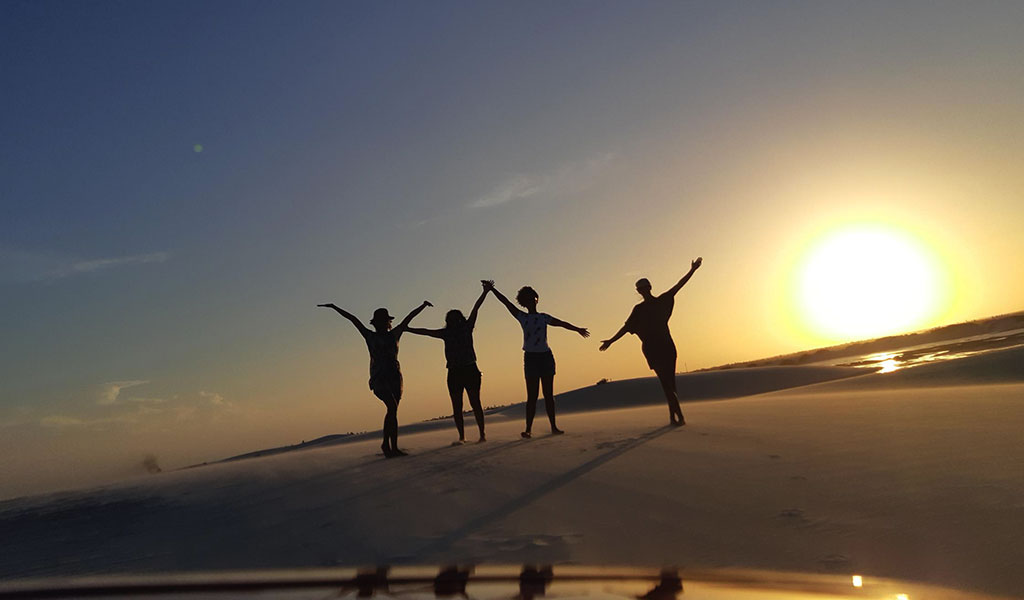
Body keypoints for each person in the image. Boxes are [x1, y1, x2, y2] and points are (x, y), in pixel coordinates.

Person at [317, 300, 432, 457]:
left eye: (384, 321)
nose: (382, 324)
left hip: (394, 376)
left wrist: (423, 306)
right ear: (375, 323)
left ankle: (392, 446)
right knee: (392, 408)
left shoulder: (395, 334)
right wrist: (334, 307)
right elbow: (353, 319)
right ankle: (387, 446)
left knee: (393, 410)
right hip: (379, 378)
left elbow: (408, 318)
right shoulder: (369, 336)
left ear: (388, 322)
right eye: (379, 322)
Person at [599, 257, 702, 425]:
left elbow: (626, 328)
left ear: (639, 291)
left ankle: (678, 416)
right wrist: (692, 270)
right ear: (648, 288)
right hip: (665, 347)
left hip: (656, 349)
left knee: (666, 384)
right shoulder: (659, 302)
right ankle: (674, 416)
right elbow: (679, 285)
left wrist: (611, 341)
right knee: (670, 383)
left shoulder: (640, 309)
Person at [485, 280, 589, 438]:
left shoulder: (543, 317)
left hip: (545, 356)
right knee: (532, 396)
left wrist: (577, 329)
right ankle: (528, 429)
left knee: (548, 394)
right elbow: (506, 303)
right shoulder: (522, 316)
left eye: (533, 297)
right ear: (524, 302)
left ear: (537, 298)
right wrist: (492, 290)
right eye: (528, 299)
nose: (532, 300)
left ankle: (553, 426)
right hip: (531, 358)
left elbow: (561, 323)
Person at [405, 285, 491, 445]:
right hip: (456, 371)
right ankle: (464, 436)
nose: (453, 322)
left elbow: (476, 308)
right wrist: (408, 329)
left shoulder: (464, 328)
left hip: (468, 369)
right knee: (460, 406)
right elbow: (426, 331)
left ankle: (481, 434)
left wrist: (485, 292)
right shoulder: (451, 332)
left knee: (473, 403)